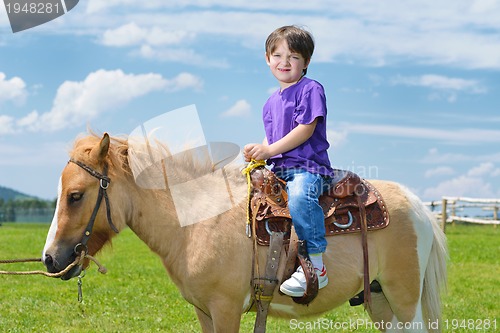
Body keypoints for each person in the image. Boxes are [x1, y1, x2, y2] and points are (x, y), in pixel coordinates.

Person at [243, 25, 334, 297]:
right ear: (267, 59)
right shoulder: (270, 102)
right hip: (280, 170)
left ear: (306, 62)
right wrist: (258, 151)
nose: (285, 62)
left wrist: (269, 151)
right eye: (278, 55)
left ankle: (316, 265)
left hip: (307, 167)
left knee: (300, 199)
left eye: (293, 57)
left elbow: (305, 128)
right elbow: (271, 138)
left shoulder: (310, 89)